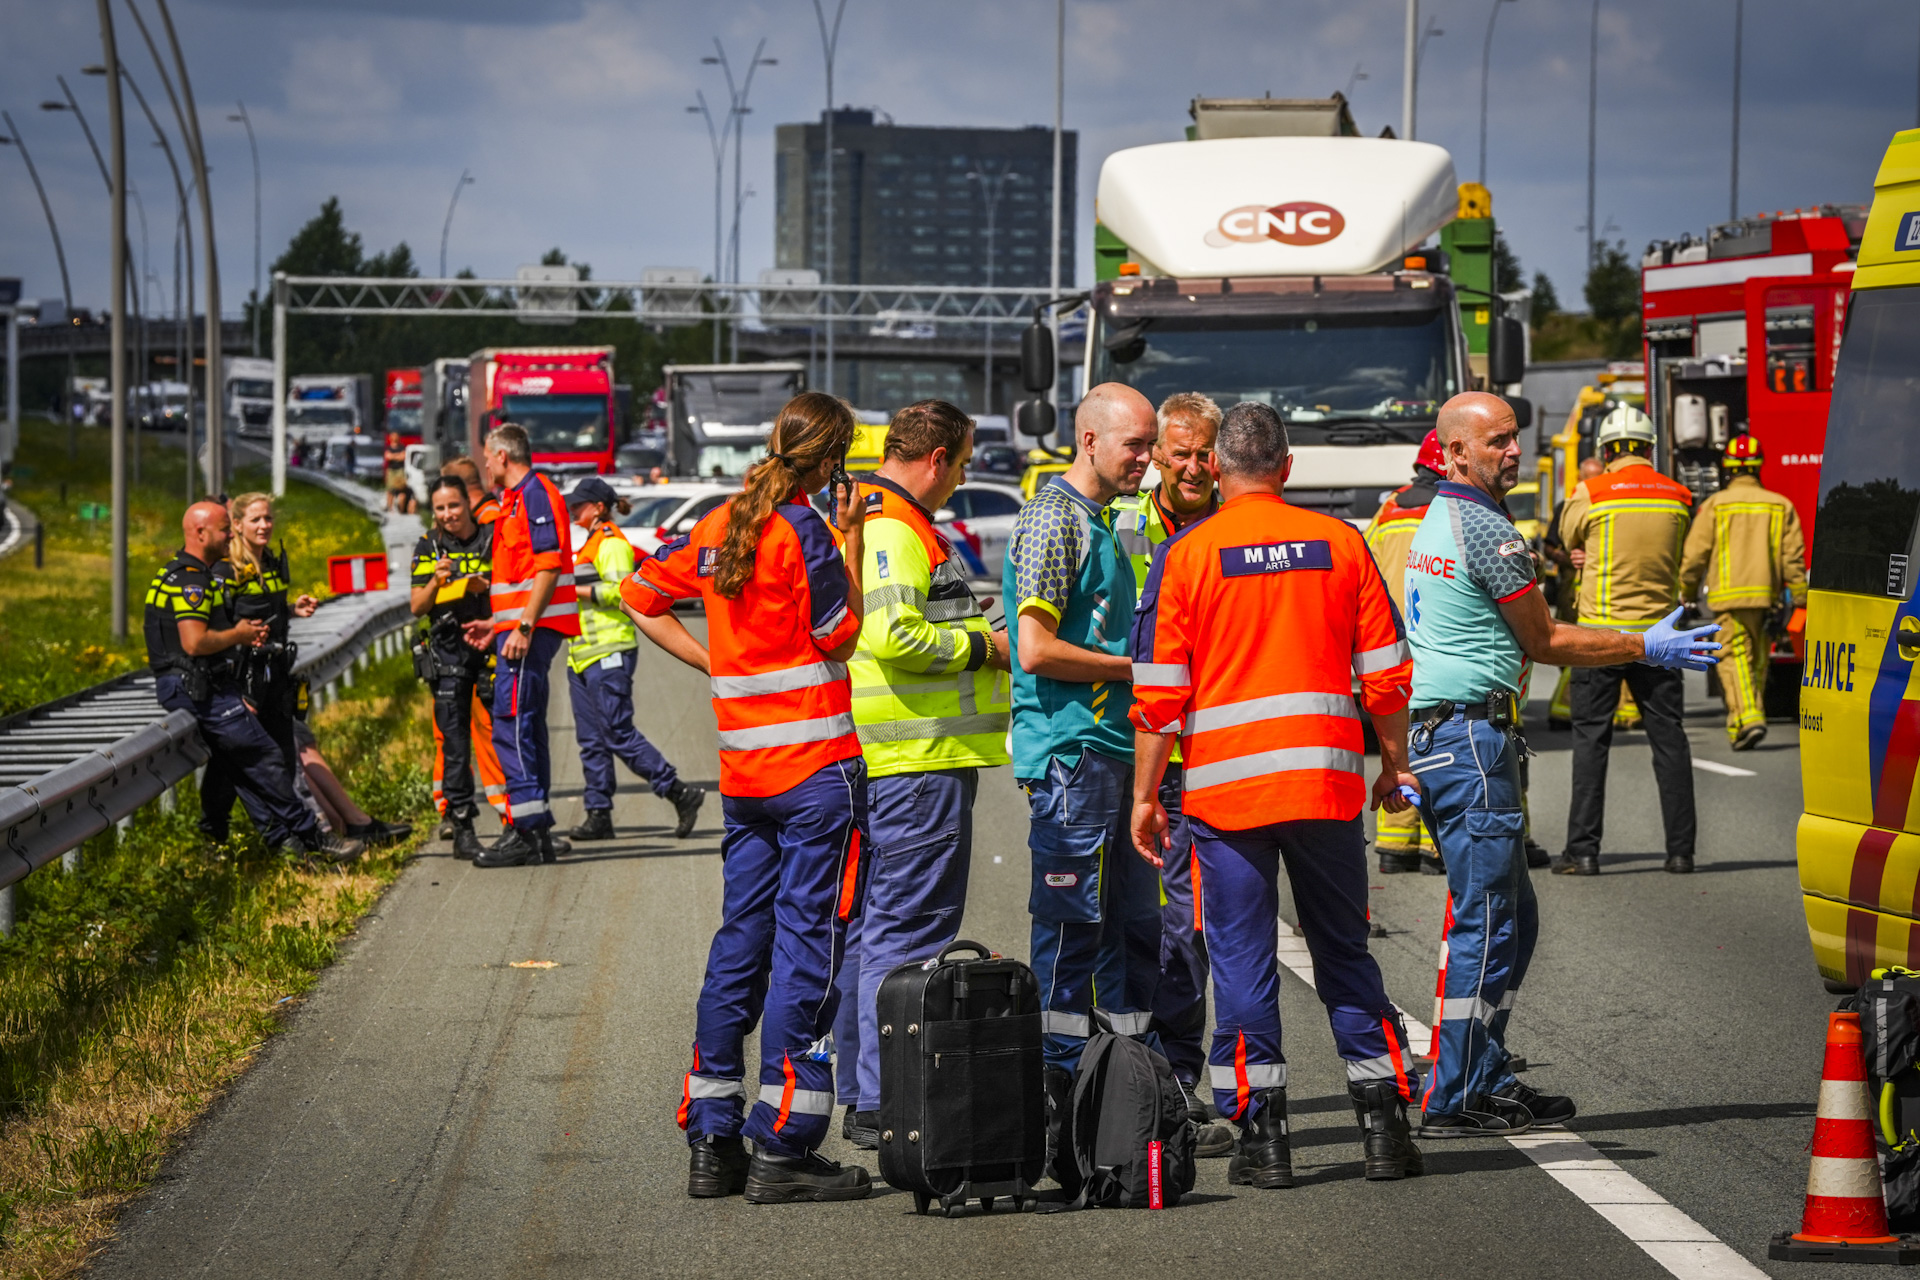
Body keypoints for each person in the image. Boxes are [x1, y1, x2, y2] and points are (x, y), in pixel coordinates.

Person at [1402, 392, 1717, 1138]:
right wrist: (1646, 644)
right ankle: (1456, 1093)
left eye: (1516, 438)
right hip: (1471, 744)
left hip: (1451, 737)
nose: (1514, 452)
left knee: (1513, 919)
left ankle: (1481, 1072)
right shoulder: (1485, 528)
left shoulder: (1441, 517)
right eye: (1497, 442)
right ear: (1454, 453)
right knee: (1488, 924)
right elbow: (1544, 641)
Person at [1129, 400, 1424, 1187]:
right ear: (1288, 469)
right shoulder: (1342, 545)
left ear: (1219, 471)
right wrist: (1394, 767)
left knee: (1242, 964)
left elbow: (1159, 694)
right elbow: (1388, 675)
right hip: (1325, 789)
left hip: (1227, 802)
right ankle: (1386, 1129)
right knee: (1344, 955)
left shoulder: (1187, 557)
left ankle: (1265, 1142)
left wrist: (1145, 797)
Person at [623, 392, 870, 1203]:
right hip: (815, 772)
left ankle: (713, 1137)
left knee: (740, 943)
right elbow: (839, 634)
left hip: (745, 777)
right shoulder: (806, 532)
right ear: (829, 460)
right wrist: (855, 537)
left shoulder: (720, 523)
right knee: (810, 948)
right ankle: (786, 1145)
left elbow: (638, 597)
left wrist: (712, 665)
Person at [833, 400, 1011, 1152]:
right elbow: (893, 633)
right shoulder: (896, 529)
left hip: (909, 758)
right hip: (919, 758)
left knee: (877, 929)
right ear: (936, 459)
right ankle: (883, 1097)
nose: (962, 477)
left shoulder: (888, 523)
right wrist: (983, 645)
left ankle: (865, 1091)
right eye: (963, 463)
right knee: (907, 933)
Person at [1003, 381, 1162, 1177]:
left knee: (1129, 934)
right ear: (1089, 440)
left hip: (1110, 752)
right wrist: (1140, 668)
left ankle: (1127, 1105)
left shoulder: (1103, 519)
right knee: (1068, 940)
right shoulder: (1055, 517)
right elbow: (1033, 648)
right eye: (1136, 444)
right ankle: (1058, 1111)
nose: (1149, 458)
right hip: (1071, 760)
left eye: (1150, 442)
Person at [1108, 390, 1234, 1158]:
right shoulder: (1122, 524)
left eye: (1203, 453)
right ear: (1156, 452)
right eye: (1178, 452)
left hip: (1219, 756)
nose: (1192, 466)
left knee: (1200, 932)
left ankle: (1182, 1077)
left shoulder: (1236, 526)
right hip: (1142, 753)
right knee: (1137, 929)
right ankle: (1137, 1081)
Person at [144, 500, 362, 863]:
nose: (230, 535)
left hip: (200, 683)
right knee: (263, 756)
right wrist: (240, 635)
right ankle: (312, 840)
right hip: (194, 686)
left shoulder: (181, 572)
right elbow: (194, 641)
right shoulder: (193, 580)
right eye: (224, 529)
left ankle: (280, 843)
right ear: (200, 533)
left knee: (240, 762)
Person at [1555, 404, 1700, 877]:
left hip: (1599, 636)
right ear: (1648, 447)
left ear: (1607, 449)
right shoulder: (1678, 495)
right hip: (1660, 640)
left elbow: (1567, 534)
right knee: (1670, 741)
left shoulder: (1592, 492)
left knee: (1591, 742)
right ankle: (1681, 853)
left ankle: (1584, 852)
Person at [457, 423, 581, 869]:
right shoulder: (514, 499)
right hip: (519, 633)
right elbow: (524, 580)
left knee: (511, 725)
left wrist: (523, 627)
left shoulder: (533, 494)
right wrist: (499, 623)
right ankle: (536, 832)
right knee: (523, 726)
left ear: (503, 456)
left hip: (530, 636)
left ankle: (526, 832)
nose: (485, 464)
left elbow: (547, 568)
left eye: (487, 457)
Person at [562, 476, 706, 842]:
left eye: (579, 505)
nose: (573, 510)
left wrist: (572, 590)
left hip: (610, 652)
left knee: (617, 732)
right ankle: (598, 814)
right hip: (582, 657)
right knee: (591, 739)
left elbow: (622, 592)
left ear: (597, 507)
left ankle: (678, 791)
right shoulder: (592, 543)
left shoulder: (610, 544)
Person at [1678, 433, 1807, 751]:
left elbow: (1694, 556)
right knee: (1758, 660)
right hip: (1767, 599)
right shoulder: (1781, 506)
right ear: (1758, 467)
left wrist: (1687, 591)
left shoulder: (1714, 506)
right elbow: (1793, 559)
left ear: (1728, 470)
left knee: (1733, 658)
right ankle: (1739, 724)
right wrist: (1802, 599)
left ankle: (1749, 716)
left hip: (1729, 599)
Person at [1363, 430, 1446, 875]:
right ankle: (1436, 848)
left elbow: (1368, 560)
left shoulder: (1390, 506)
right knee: (1439, 740)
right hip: (1438, 638)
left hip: (1390, 641)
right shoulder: (1455, 506)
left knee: (1402, 741)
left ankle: (1395, 847)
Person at [410, 476, 496, 859]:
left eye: (454, 506)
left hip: (492, 647)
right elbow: (417, 606)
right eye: (441, 508)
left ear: (468, 504)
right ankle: (462, 826)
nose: (448, 515)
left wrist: (481, 586)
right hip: (447, 655)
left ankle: (523, 822)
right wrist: (438, 581)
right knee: (456, 745)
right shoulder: (428, 546)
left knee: (508, 736)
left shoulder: (493, 537)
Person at [433, 456, 510, 831]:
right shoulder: (492, 517)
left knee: (477, 734)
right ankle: (459, 808)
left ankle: (494, 810)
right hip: (459, 647)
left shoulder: (492, 524)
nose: (446, 515)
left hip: (482, 643)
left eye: (451, 505)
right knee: (456, 735)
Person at [384, 430, 411, 513]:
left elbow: (403, 457)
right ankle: (389, 508)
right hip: (392, 470)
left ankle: (401, 510)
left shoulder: (402, 447)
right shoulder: (388, 447)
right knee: (390, 490)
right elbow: (387, 457)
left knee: (401, 490)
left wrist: (393, 456)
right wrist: (397, 456)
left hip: (400, 471)